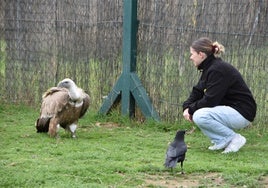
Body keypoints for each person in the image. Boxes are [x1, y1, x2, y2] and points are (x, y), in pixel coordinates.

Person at [182, 37, 257, 154]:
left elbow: (210, 100)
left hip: (242, 112)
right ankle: (222, 141)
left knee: (200, 115)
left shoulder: (217, 70)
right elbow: (198, 91)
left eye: (192, 54)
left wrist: (191, 110)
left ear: (201, 54)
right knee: (198, 114)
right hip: (233, 110)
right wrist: (186, 107)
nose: (190, 57)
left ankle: (234, 138)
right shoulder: (210, 68)